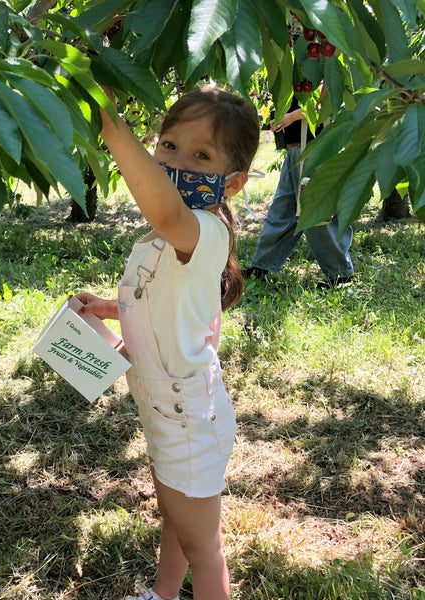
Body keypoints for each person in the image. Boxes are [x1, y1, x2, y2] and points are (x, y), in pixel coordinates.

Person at [75, 87, 259, 600]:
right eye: (170, 146)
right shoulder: (165, 239)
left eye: (202, 156)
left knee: (206, 549)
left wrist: (108, 118)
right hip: (166, 410)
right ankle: (162, 593)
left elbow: (164, 211)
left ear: (234, 181)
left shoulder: (199, 227)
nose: (178, 163)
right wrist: (110, 309)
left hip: (189, 418)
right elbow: (162, 297)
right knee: (174, 521)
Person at [244, 97, 354, 287]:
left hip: (314, 149)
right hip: (296, 151)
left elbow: (327, 102)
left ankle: (340, 274)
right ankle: (262, 265)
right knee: (283, 208)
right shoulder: (294, 69)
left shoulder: (321, 67)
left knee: (317, 214)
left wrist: (291, 117)